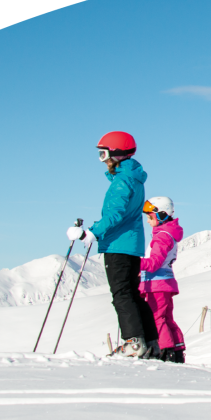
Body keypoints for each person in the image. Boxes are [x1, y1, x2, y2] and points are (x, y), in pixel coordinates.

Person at [67, 131, 159, 359]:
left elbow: (114, 214)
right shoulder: (133, 179)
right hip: (131, 244)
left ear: (116, 154)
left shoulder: (122, 181)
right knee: (133, 294)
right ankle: (151, 342)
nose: (103, 159)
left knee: (121, 294)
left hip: (118, 244)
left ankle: (134, 343)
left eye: (103, 154)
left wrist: (90, 233)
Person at [139, 196, 185, 363]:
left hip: (156, 284)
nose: (148, 220)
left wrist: (135, 264)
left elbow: (154, 263)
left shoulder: (162, 236)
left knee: (157, 318)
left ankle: (165, 350)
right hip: (164, 283)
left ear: (162, 215)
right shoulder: (168, 234)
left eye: (150, 216)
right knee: (166, 318)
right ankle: (177, 348)